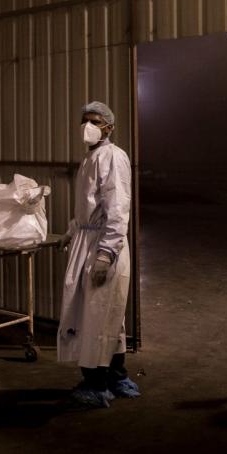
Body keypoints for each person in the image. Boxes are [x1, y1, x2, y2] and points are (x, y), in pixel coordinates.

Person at [57, 101, 141, 408]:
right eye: (84, 121)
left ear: (109, 126)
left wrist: (105, 254)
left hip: (103, 245)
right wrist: (72, 231)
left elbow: (117, 210)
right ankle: (117, 376)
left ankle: (96, 384)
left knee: (96, 316)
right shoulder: (92, 157)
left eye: (94, 121)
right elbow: (88, 207)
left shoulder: (111, 157)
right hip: (89, 239)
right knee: (107, 316)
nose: (87, 127)